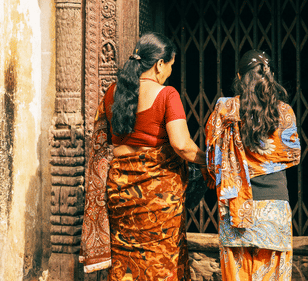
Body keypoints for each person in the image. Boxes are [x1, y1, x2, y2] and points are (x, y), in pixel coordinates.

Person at [80, 32, 205, 281]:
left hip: (120, 194)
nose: (170, 72)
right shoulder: (167, 95)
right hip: (157, 200)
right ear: (160, 64)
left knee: (125, 260)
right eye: (170, 65)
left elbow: (103, 145)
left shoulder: (112, 93)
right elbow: (182, 145)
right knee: (158, 265)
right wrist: (210, 159)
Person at [205, 50, 301, 280]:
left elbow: (212, 160)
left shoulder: (225, 110)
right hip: (275, 208)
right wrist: (263, 162)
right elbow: (293, 156)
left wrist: (240, 165)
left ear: (239, 77)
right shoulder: (285, 112)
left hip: (236, 208)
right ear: (271, 76)